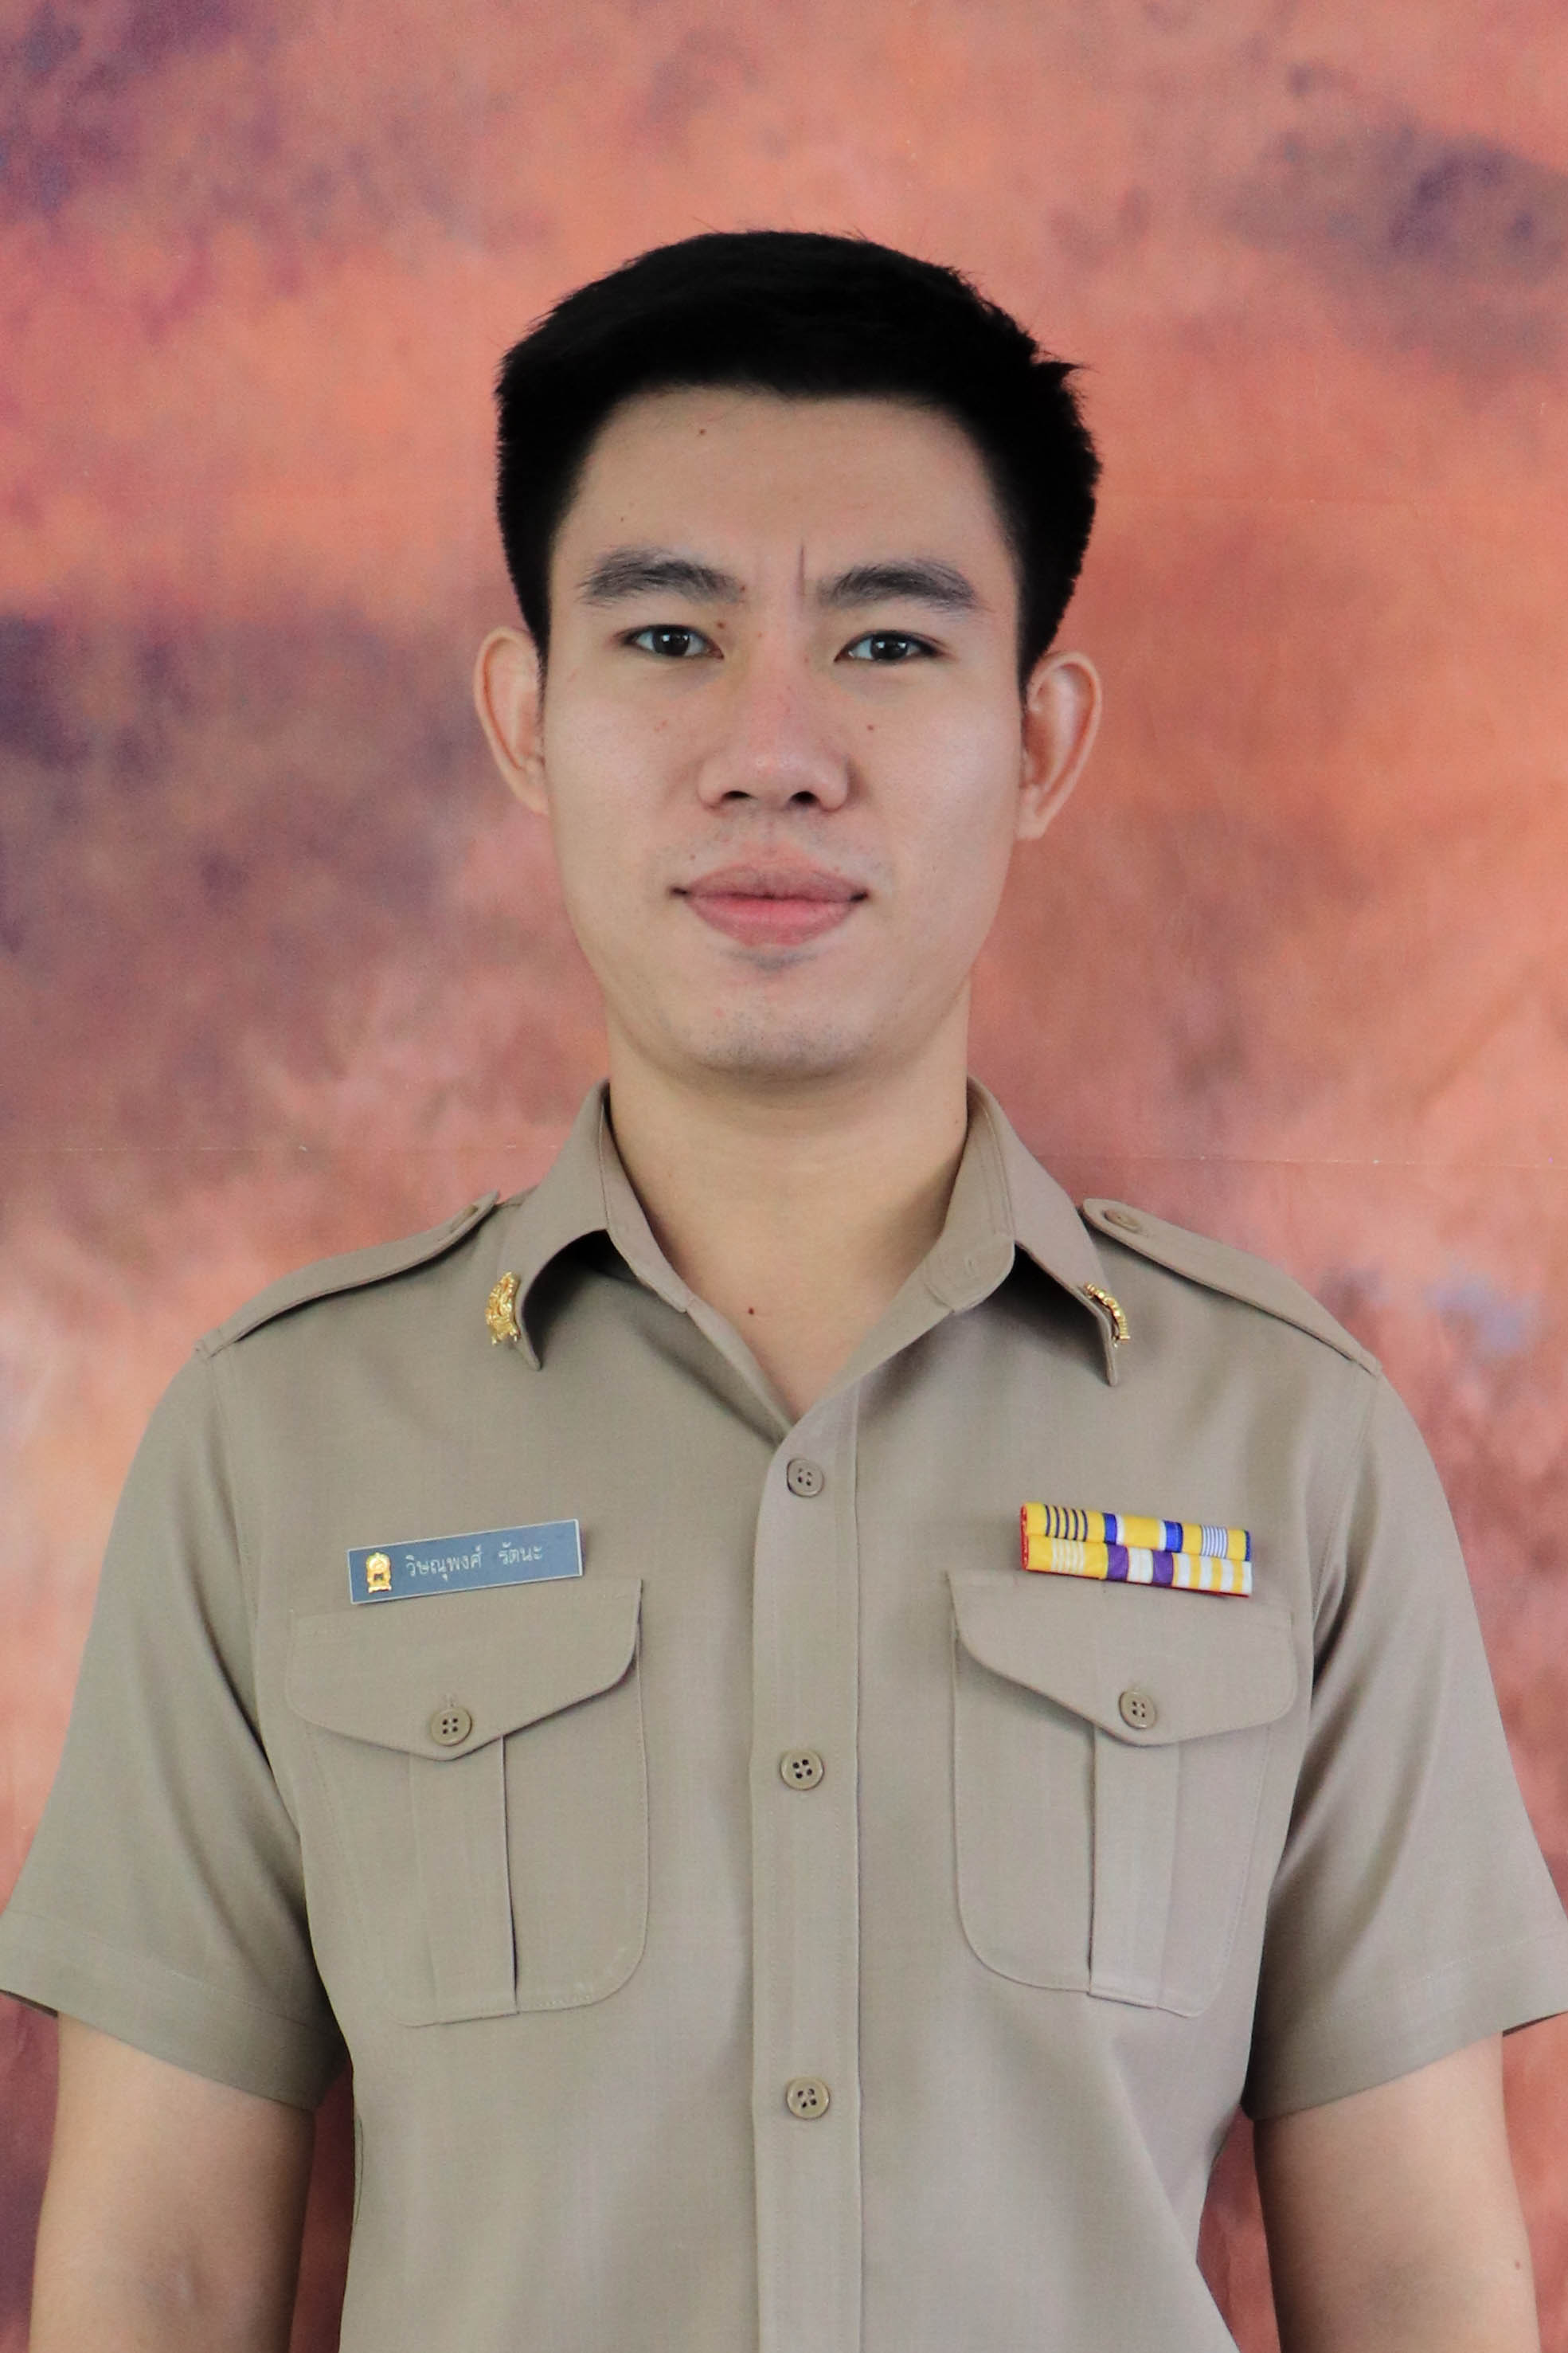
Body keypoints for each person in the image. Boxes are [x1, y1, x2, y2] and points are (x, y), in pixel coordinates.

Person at [3, 229, 1566, 2353]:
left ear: (1039, 740)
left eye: (887, 644)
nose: (774, 752)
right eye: (669, 635)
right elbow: (159, 2277)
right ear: (526, 717)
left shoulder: (1289, 1446)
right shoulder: (278, 1445)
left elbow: (1418, 2285)